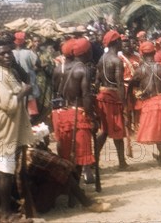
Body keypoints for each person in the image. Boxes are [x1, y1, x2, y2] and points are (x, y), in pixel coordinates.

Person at [0, 40, 34, 222]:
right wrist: (24, 92)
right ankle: (6, 212)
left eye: (9, 53)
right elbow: (9, 105)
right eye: (2, 54)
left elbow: (25, 79)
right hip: (1, 132)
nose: (7, 56)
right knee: (4, 174)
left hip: (4, 130)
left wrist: (17, 66)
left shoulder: (8, 72)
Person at [51, 38, 96, 205]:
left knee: (67, 156)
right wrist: (91, 116)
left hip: (61, 114)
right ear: (86, 52)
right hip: (78, 114)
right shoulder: (83, 70)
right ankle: (74, 195)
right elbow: (86, 96)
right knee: (78, 158)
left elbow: (56, 93)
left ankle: (71, 193)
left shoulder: (57, 69)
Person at [130, 41, 161, 172]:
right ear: (154, 52)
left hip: (150, 104)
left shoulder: (139, 70)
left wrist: (137, 94)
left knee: (158, 134)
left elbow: (131, 85)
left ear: (142, 54)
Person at [95, 30, 129, 170]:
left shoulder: (101, 59)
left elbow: (97, 81)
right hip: (113, 97)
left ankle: (94, 160)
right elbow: (120, 83)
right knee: (117, 129)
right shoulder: (116, 61)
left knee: (105, 130)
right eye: (120, 40)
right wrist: (124, 103)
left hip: (102, 96)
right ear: (116, 42)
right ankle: (121, 162)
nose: (122, 43)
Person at [13, 31, 41, 118]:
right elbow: (37, 64)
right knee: (30, 101)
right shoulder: (29, 53)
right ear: (24, 41)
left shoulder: (11, 53)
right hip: (29, 80)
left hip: (16, 82)